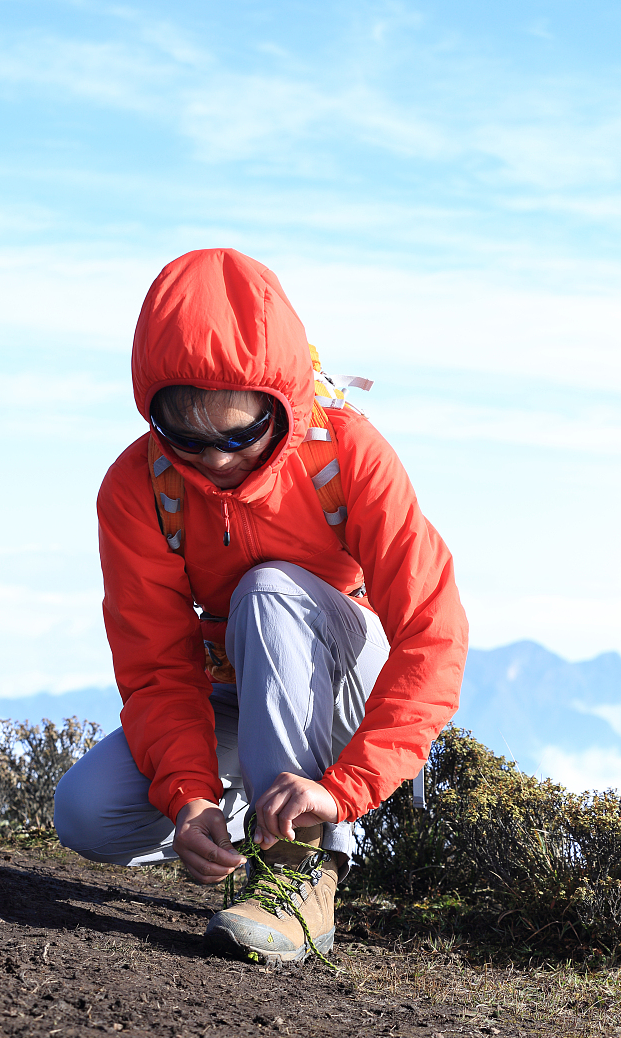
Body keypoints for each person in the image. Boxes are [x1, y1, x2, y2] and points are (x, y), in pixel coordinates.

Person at [54, 247, 468, 964]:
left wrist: (350, 788)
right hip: (237, 689)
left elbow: (433, 634)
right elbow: (156, 668)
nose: (215, 458)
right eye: (187, 434)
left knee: (268, 589)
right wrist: (189, 799)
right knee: (88, 813)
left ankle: (302, 873)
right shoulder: (137, 487)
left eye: (241, 433)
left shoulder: (349, 455)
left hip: (349, 691)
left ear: (282, 399)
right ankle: (255, 821)